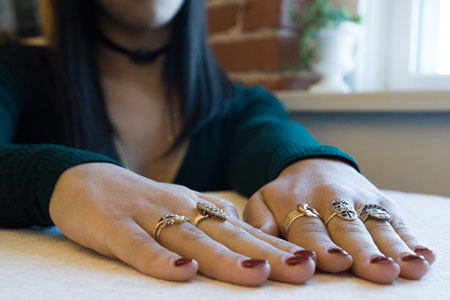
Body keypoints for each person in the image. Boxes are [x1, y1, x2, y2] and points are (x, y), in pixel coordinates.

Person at [0, 0, 435, 286]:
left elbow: (270, 135)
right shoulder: (15, 70)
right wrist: (64, 179)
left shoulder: (239, 105)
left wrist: (320, 166)